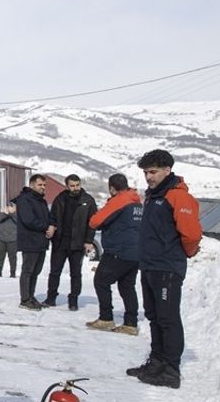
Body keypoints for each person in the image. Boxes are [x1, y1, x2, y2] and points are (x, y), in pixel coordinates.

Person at [127, 150, 201, 389]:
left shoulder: (178, 197)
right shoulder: (153, 196)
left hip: (167, 267)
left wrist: (185, 253)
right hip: (150, 265)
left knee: (168, 318)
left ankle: (170, 370)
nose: (148, 177)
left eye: (153, 172)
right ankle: (156, 362)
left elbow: (191, 234)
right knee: (154, 316)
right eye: (145, 173)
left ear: (167, 170)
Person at [87, 174, 143, 336]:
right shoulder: (137, 202)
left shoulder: (119, 201)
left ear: (112, 188)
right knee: (127, 286)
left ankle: (106, 318)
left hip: (118, 250)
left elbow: (95, 221)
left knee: (101, 281)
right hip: (136, 252)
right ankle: (130, 323)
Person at [43, 174, 97, 310]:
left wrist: (89, 240)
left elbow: (92, 223)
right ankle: (51, 298)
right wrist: (52, 226)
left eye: (77, 185)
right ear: (67, 186)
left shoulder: (88, 200)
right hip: (60, 242)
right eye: (72, 186)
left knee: (76, 273)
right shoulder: (60, 199)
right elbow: (52, 217)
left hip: (78, 243)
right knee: (55, 272)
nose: (75, 188)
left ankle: (73, 300)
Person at [13, 174, 51, 310]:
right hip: (30, 240)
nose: (43, 187)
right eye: (40, 185)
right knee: (28, 270)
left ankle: (31, 296)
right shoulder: (25, 199)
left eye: (44, 185)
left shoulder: (41, 201)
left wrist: (51, 226)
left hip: (41, 241)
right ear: (32, 185)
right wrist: (46, 227)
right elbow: (28, 220)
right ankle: (25, 299)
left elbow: (47, 217)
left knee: (36, 271)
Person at [0, 204, 18, 278]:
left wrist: (12, 214)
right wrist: (5, 213)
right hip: (1, 238)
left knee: (12, 257)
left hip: (13, 239)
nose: (9, 208)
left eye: (11, 207)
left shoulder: (17, 215)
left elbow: (18, 222)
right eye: (8, 207)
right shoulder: (3, 214)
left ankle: (13, 273)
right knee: (0, 256)